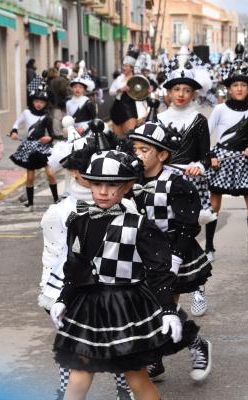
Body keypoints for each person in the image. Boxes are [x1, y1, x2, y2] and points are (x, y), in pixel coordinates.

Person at [50, 149, 188, 400]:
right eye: (97, 184)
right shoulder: (79, 221)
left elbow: (158, 271)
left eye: (112, 185)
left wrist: (168, 308)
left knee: (135, 376)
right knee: (79, 372)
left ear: (127, 187)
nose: (103, 191)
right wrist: (63, 298)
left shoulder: (139, 225)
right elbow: (75, 266)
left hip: (126, 306)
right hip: (89, 306)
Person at [130, 121, 213, 382]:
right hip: (139, 253)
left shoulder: (176, 183)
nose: (139, 155)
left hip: (173, 251)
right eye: (136, 150)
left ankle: (197, 344)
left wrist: (174, 258)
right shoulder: (129, 180)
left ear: (162, 155)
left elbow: (188, 225)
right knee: (141, 308)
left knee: (162, 305)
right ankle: (155, 358)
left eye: (145, 150)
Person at [157, 32, 214, 317]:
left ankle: (198, 285)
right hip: (160, 184)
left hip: (189, 184)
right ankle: (163, 287)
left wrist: (200, 166)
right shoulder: (158, 119)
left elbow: (206, 155)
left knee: (187, 235)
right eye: (176, 89)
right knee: (161, 235)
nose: (180, 94)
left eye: (186, 90)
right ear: (169, 91)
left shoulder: (199, 120)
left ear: (193, 93)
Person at [207, 53, 248, 265]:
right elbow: (204, 134)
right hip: (222, 159)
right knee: (214, 206)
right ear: (229, 88)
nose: (239, 89)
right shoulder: (219, 109)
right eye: (235, 85)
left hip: (244, 162)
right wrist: (210, 155)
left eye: (243, 85)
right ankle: (208, 247)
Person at [10, 84, 61, 211]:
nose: (39, 104)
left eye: (42, 102)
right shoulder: (26, 112)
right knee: (30, 177)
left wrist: (50, 138)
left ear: (45, 103)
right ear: (32, 101)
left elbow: (52, 134)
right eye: (36, 101)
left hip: (43, 147)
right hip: (29, 147)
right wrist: (14, 132)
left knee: (50, 174)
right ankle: (31, 204)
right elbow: (16, 123)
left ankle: (56, 200)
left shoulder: (47, 116)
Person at [109, 48, 140, 136]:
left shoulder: (136, 79)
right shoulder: (119, 78)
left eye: (126, 66)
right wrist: (121, 90)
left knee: (130, 137)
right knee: (118, 140)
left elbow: (141, 94)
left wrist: (147, 90)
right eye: (123, 65)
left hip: (129, 108)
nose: (124, 68)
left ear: (131, 68)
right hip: (117, 107)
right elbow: (111, 92)